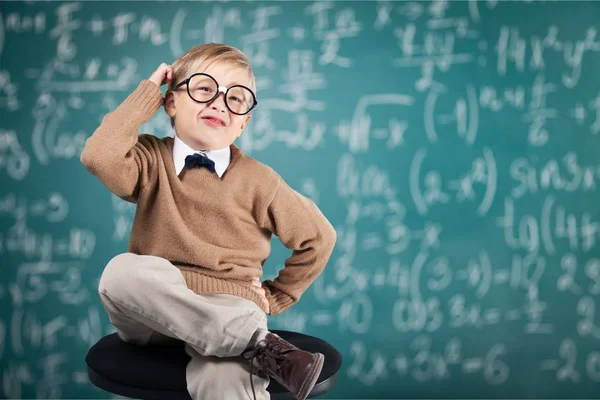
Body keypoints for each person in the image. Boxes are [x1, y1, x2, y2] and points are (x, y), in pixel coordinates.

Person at [80, 42, 337, 400]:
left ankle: (245, 340)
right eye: (204, 89)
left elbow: (319, 237)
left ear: (244, 122)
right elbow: (98, 156)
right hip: (153, 310)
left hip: (230, 303)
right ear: (170, 103)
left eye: (236, 98)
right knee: (120, 273)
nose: (219, 102)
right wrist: (147, 91)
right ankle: (256, 342)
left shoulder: (260, 181)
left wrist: (275, 298)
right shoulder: (150, 159)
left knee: (226, 380)